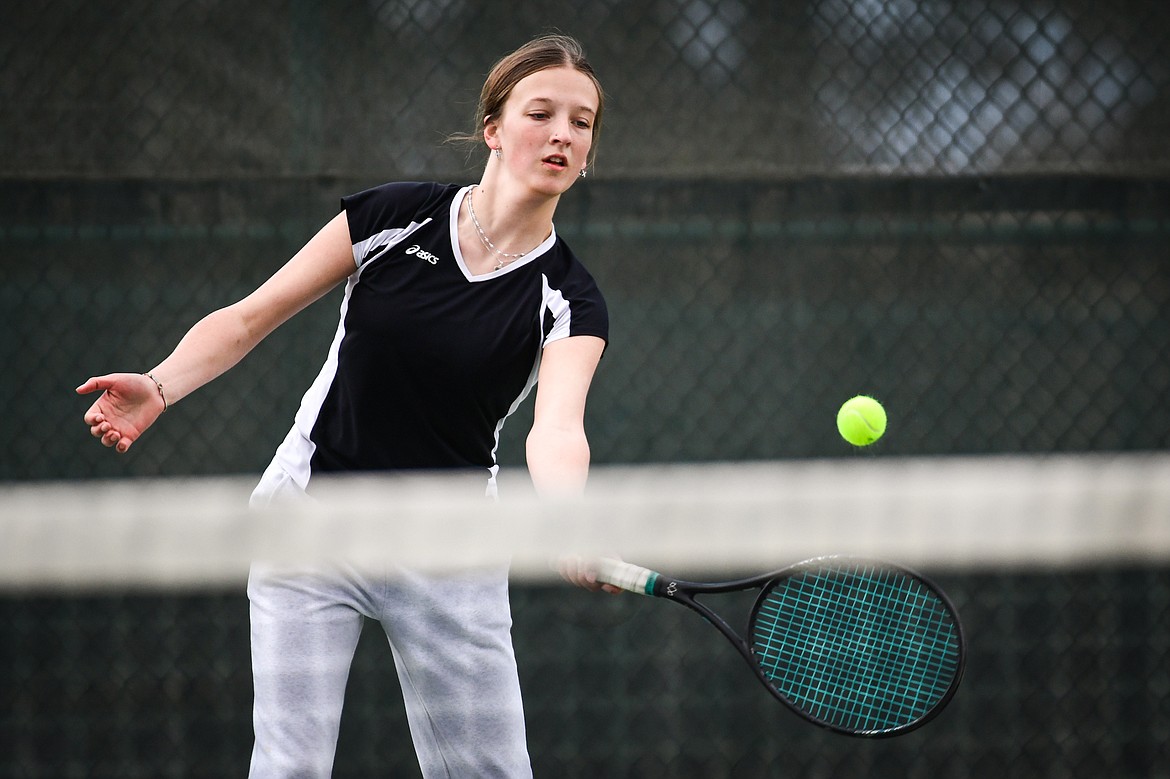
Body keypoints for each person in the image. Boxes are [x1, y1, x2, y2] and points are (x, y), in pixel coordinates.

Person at [77, 34, 615, 778]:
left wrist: (567, 520)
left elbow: (557, 430)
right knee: (289, 767)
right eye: (542, 112)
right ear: (493, 128)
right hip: (309, 519)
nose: (562, 133)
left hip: (447, 551)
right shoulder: (392, 218)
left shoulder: (570, 299)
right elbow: (247, 318)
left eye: (581, 122)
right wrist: (160, 385)